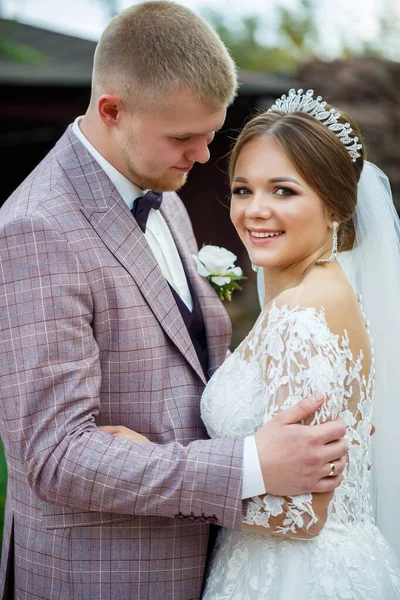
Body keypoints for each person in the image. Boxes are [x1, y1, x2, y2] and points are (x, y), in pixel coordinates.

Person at [0, 4, 348, 598]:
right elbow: (54, 457)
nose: (204, 156)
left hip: (204, 562)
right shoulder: (38, 228)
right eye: (184, 137)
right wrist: (248, 465)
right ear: (112, 109)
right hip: (102, 576)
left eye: (211, 134)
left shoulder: (168, 199)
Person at [112, 88, 400, 597]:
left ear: (335, 205)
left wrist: (158, 468)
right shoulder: (331, 292)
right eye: (243, 190)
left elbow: (301, 514)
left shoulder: (301, 312)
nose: (255, 211)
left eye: (284, 191)